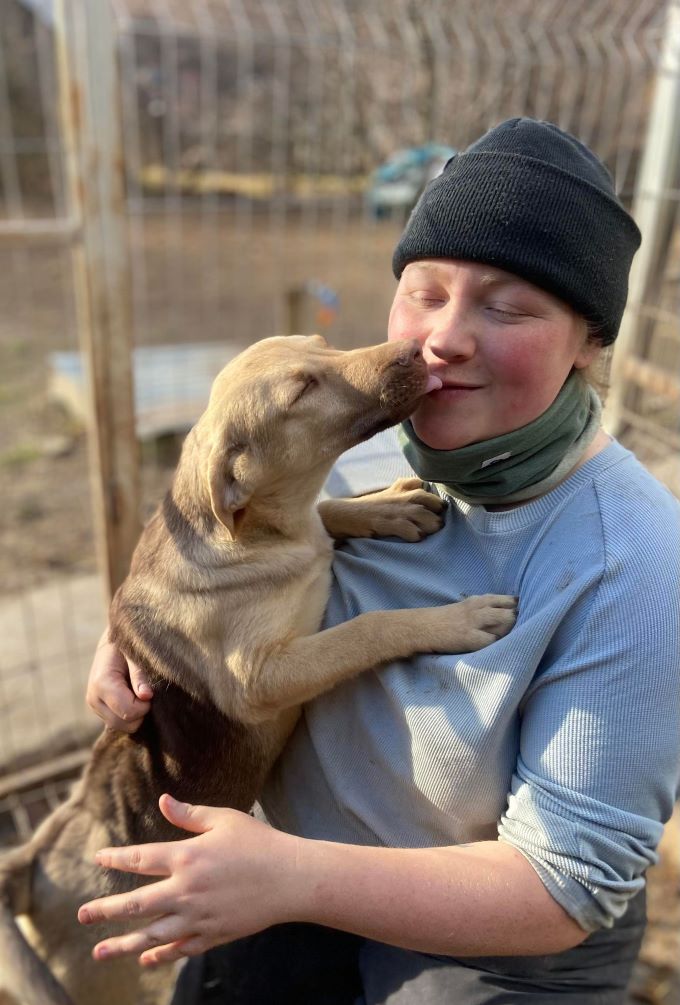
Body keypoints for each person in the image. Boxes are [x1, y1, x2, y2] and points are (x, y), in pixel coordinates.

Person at [79, 118, 680, 1004]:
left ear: (591, 341)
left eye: (507, 306)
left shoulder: (635, 561)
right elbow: (210, 524)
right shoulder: (349, 444)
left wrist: (298, 880)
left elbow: (568, 884)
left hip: (492, 936)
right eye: (423, 290)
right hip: (280, 870)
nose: (442, 339)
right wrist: (139, 630)